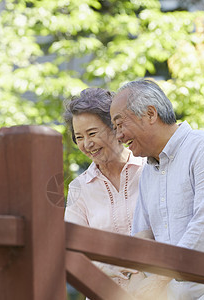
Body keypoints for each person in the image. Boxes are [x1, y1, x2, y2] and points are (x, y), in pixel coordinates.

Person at [110, 79, 204, 300]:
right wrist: (136, 287)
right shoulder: (148, 172)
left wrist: (157, 281)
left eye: (120, 124)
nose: (118, 136)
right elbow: (142, 237)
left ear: (151, 114)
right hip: (168, 292)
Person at [63, 87, 146, 292]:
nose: (87, 144)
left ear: (115, 127)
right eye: (79, 137)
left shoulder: (150, 169)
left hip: (157, 290)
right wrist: (101, 266)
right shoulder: (79, 188)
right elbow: (68, 247)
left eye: (92, 133)